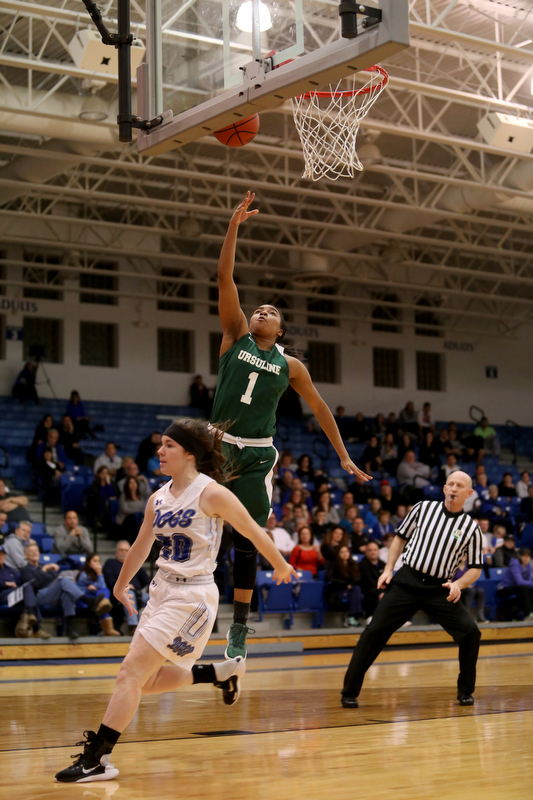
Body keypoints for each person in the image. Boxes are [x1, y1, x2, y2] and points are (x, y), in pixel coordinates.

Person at [54, 418, 297, 783]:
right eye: (160, 444)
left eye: (168, 445)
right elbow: (140, 546)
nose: (159, 451)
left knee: (129, 675)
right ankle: (220, 673)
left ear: (189, 453)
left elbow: (252, 529)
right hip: (161, 589)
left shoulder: (212, 493)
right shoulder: (159, 497)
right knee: (146, 682)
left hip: (193, 595)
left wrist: (280, 563)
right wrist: (120, 585)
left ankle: (96, 759)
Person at [208, 191, 370, 658]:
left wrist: (342, 454)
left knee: (248, 539)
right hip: (217, 448)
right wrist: (234, 225)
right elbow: (224, 277)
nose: (261, 312)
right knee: (195, 527)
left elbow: (320, 409)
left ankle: (238, 628)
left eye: (271, 313)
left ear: (280, 330)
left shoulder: (290, 365)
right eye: (258, 308)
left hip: (257, 455)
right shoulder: (235, 334)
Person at [341, 472, 483, 709]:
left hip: (440, 588)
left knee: (471, 633)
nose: (454, 488)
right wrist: (388, 570)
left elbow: (476, 568)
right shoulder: (423, 508)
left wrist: (459, 584)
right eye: (451, 484)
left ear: (468, 494)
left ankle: (465, 691)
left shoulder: (471, 529)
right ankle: (349, 692)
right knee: (373, 632)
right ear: (444, 487)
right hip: (407, 581)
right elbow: (399, 539)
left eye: (460, 486)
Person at [21, 544, 111, 641]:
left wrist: (47, 570)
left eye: (36, 550)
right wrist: (44, 570)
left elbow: (56, 579)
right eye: (31, 551)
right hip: (38, 597)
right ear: (26, 555)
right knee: (64, 581)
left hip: (53, 595)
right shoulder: (26, 570)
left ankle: (71, 629)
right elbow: (35, 585)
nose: (34, 553)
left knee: (66, 593)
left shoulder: (46, 567)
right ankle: (88, 601)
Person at [0, 544, 50, 638]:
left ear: (5, 556)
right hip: (3, 595)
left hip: (15, 594)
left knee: (29, 591)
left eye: (2, 554)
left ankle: (36, 626)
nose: (0, 557)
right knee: (28, 590)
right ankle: (35, 625)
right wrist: (6, 583)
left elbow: (20, 583)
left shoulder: (10, 570)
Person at [103, 540, 151, 634]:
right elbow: (109, 581)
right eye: (121, 550)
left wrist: (136, 587)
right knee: (129, 592)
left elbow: (147, 580)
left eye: (126, 550)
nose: (124, 552)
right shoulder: (111, 563)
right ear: (116, 552)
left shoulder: (134, 564)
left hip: (138, 594)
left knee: (155, 596)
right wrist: (123, 585)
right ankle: (133, 627)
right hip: (120, 595)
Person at [77, 553, 120, 636]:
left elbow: (102, 587)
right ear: (89, 563)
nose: (97, 563)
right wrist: (92, 587)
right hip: (85, 599)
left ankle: (108, 628)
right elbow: (80, 590)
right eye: (94, 561)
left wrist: (99, 574)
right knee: (102, 599)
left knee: (105, 592)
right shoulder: (84, 574)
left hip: (96, 598)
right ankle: (108, 628)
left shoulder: (98, 574)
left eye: (98, 561)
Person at [325, 545, 362, 626]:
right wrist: (345, 585)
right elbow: (330, 578)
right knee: (355, 591)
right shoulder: (333, 564)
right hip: (337, 589)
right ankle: (353, 617)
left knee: (356, 588)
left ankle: (352, 616)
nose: (345, 554)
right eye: (342, 552)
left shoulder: (353, 564)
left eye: (346, 551)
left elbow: (357, 578)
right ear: (338, 554)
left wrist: (350, 585)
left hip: (351, 589)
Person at [496, 548, 533, 621]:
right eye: (524, 556)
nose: (526, 558)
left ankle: (531, 612)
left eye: (528, 556)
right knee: (523, 588)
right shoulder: (514, 564)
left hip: (517, 588)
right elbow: (519, 581)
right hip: (504, 588)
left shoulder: (528, 566)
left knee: (530, 589)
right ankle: (527, 615)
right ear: (520, 556)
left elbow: (529, 581)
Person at [358, 541, 386, 620]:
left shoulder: (383, 564)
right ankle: (370, 616)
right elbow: (368, 581)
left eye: (375, 550)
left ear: (378, 551)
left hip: (382, 589)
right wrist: (380, 592)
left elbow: (387, 579)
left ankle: (397, 618)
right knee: (370, 592)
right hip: (368, 589)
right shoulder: (362, 564)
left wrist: (383, 590)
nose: (373, 552)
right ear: (366, 552)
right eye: (370, 550)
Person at [85, 467, 118, 535]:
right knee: (101, 500)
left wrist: (108, 483)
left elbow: (114, 495)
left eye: (106, 473)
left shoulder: (112, 484)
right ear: (99, 474)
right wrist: (102, 484)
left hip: (109, 505)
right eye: (102, 473)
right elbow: (97, 494)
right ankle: (99, 520)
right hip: (96, 505)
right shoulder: (95, 483)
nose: (104, 475)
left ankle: (102, 522)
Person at [115, 477, 148, 543]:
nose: (133, 484)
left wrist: (146, 483)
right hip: (125, 520)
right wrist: (137, 512)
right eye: (131, 483)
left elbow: (143, 507)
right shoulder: (123, 496)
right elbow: (125, 509)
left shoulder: (140, 496)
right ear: (127, 485)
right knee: (135, 516)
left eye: (134, 482)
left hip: (137, 519)